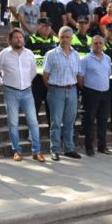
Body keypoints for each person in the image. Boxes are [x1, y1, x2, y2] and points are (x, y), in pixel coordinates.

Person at [0, 28, 45, 162]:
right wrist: (1, 81)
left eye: (21, 37)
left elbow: (34, 71)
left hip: (27, 91)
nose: (19, 39)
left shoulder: (29, 54)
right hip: (10, 91)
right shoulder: (3, 55)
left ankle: (37, 151)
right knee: (13, 122)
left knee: (33, 122)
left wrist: (26, 82)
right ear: (10, 40)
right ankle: (16, 151)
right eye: (16, 37)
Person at [43, 26, 81, 161]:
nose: (65, 40)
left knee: (70, 122)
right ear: (58, 37)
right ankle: (55, 150)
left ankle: (69, 149)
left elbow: (78, 74)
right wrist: (54, 88)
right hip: (56, 90)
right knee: (56, 122)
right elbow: (45, 76)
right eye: (62, 37)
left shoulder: (76, 55)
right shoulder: (51, 54)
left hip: (72, 90)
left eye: (67, 37)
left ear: (71, 38)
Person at [78, 35, 112, 156]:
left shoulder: (107, 58)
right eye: (95, 43)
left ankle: (102, 146)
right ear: (91, 44)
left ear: (103, 45)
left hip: (105, 93)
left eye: (100, 43)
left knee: (103, 121)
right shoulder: (86, 59)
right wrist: (88, 89)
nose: (98, 45)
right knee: (90, 121)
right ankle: (89, 148)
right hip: (91, 93)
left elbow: (108, 75)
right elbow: (80, 78)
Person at [25, 17, 58, 128]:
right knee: (35, 106)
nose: (47, 29)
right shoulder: (30, 40)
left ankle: (51, 128)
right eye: (44, 26)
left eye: (49, 26)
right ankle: (32, 130)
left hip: (52, 79)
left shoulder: (55, 41)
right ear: (38, 26)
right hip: (36, 79)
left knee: (52, 106)